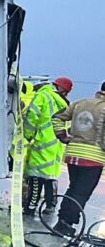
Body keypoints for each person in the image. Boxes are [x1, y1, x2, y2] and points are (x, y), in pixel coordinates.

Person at [53, 81, 105, 237]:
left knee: (73, 188)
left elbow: (56, 118)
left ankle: (62, 221)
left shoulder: (79, 103)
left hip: (73, 153)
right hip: (93, 157)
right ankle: (64, 225)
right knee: (81, 193)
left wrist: (62, 135)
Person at [23, 77, 72, 214]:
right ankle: (51, 205)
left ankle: (30, 207)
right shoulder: (66, 103)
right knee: (50, 176)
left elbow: (32, 115)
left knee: (36, 176)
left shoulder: (43, 96)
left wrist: (27, 135)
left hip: (42, 141)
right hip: (57, 144)